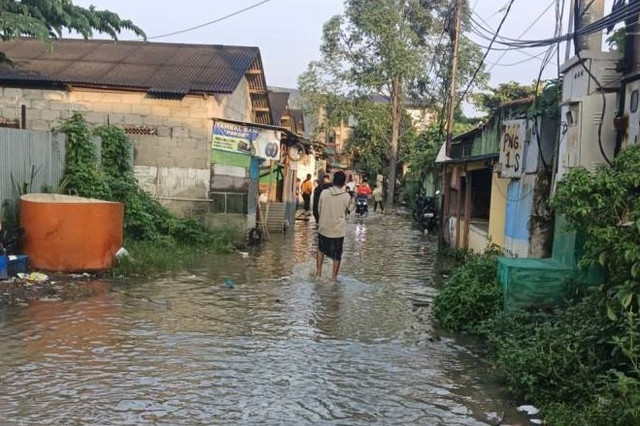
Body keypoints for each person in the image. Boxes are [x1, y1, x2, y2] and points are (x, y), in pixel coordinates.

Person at [316, 171, 352, 281]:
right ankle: (334, 278)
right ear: (344, 182)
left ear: (333, 180)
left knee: (321, 250)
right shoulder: (346, 196)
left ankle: (318, 273)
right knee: (337, 254)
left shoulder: (324, 193)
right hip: (338, 231)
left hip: (323, 227)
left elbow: (319, 209)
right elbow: (347, 212)